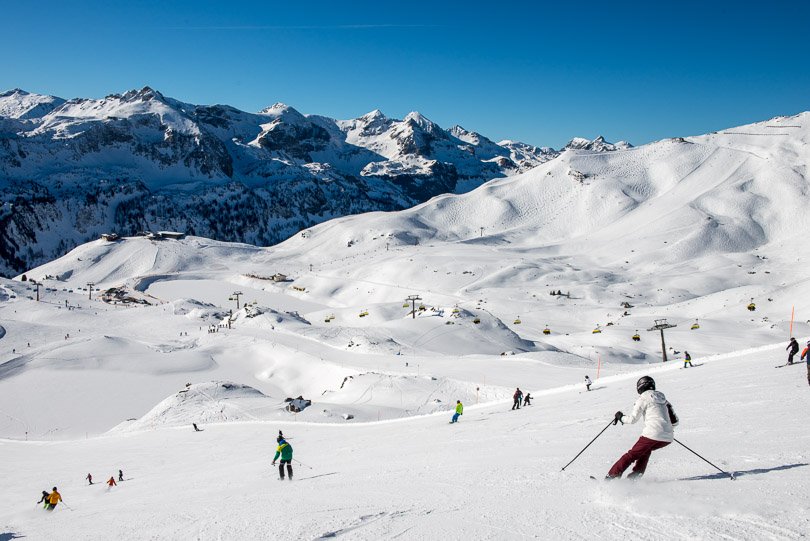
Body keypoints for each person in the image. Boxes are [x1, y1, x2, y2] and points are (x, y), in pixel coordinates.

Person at [606, 376, 678, 480]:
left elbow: (632, 420)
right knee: (645, 451)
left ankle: (612, 476)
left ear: (640, 387)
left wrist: (621, 417)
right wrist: (665, 429)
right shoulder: (664, 400)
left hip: (652, 434)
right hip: (668, 437)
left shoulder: (643, 398)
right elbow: (675, 421)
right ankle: (635, 475)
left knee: (631, 455)